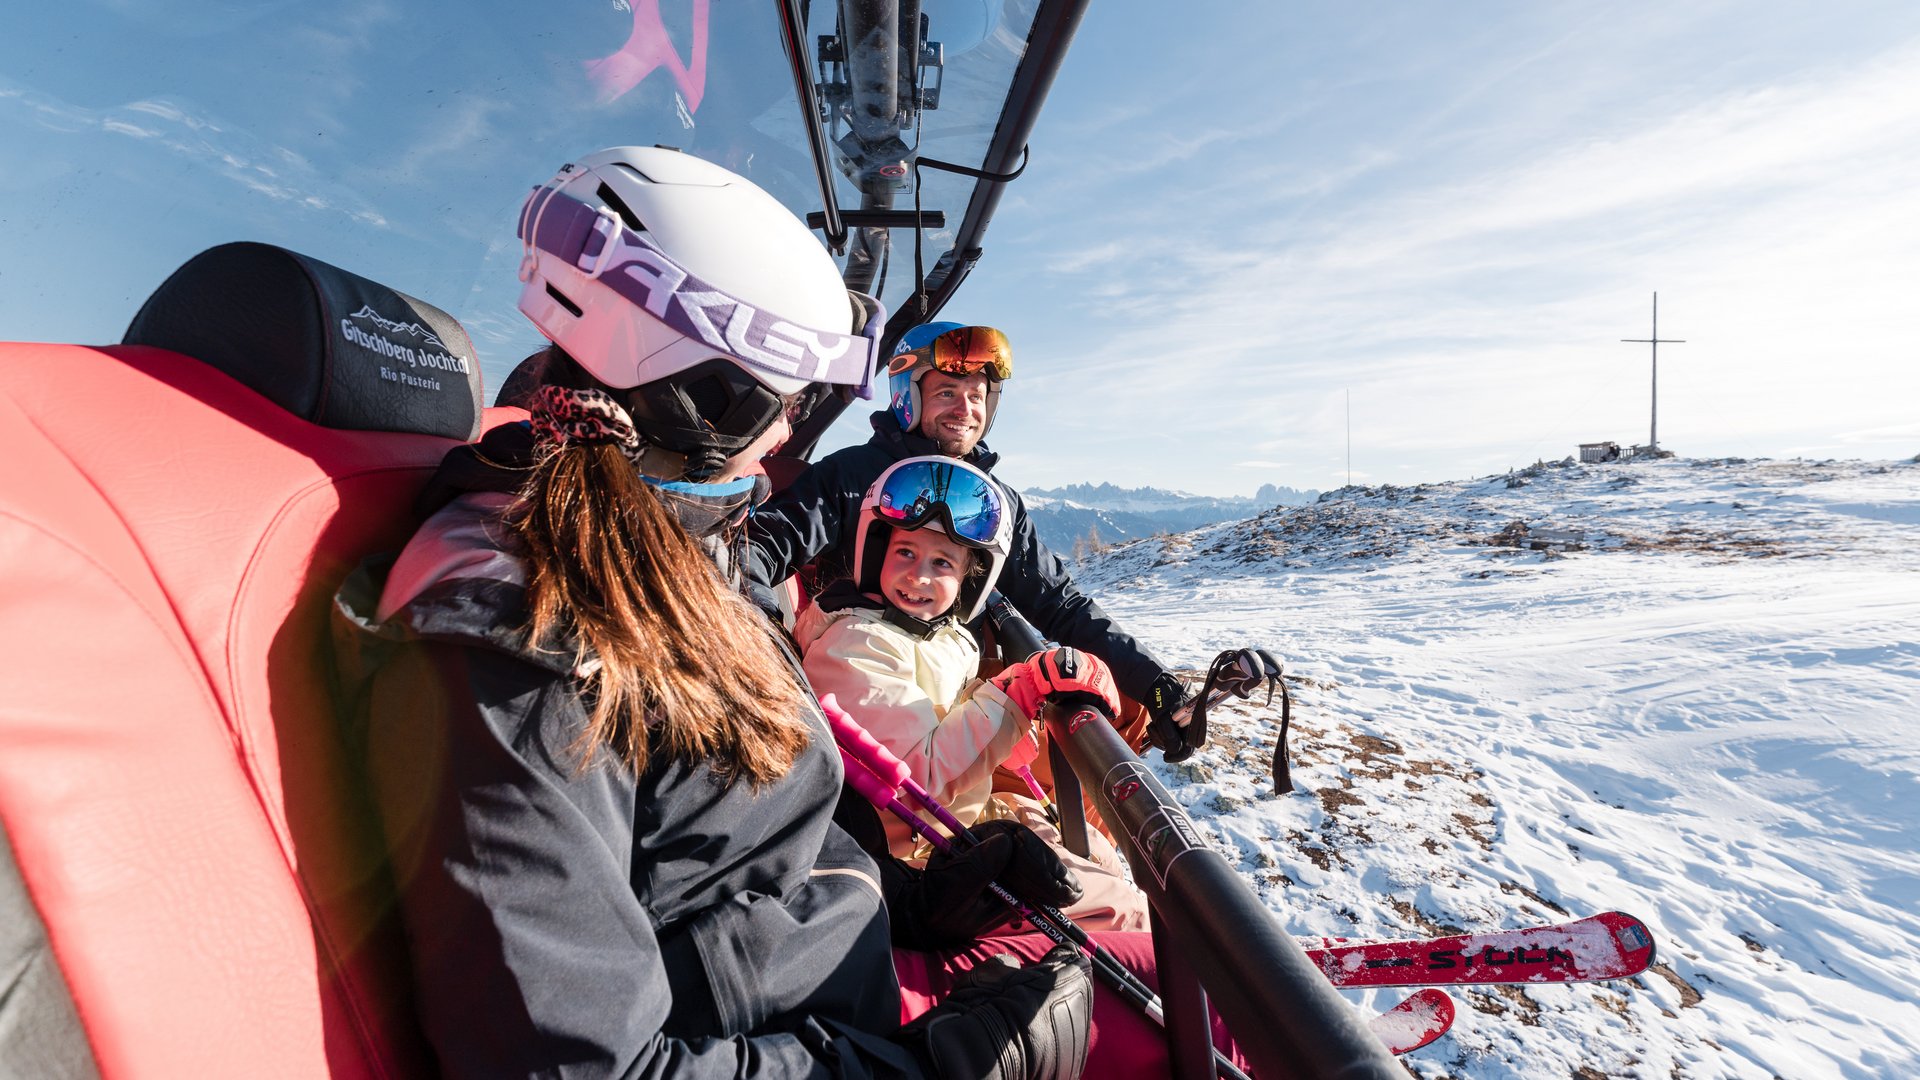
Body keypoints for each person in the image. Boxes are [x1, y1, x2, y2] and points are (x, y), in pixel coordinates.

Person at [332, 147, 1099, 1078]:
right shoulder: (518, 654)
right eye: (786, 404)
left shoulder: (674, 547)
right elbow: (584, 1064)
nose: (786, 437)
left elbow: (741, 844)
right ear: (710, 401)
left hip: (835, 979)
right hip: (827, 1039)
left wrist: (918, 896)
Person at [746, 324, 1204, 765]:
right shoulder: (851, 476)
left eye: (976, 396)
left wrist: (1155, 683)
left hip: (953, 682)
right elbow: (761, 548)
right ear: (908, 395)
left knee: (1127, 710)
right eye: (947, 392)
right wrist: (765, 649)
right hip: (861, 688)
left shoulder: (993, 501)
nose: (965, 409)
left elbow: (1058, 602)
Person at [796, 456, 1151, 932]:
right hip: (924, 859)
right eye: (905, 552)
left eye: (942, 562)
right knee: (1127, 913)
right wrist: (1017, 692)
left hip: (965, 819)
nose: (919, 576)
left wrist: (1007, 727)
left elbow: (944, 711)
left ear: (970, 577)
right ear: (876, 552)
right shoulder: (857, 643)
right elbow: (915, 781)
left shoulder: (941, 633)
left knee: (1102, 856)